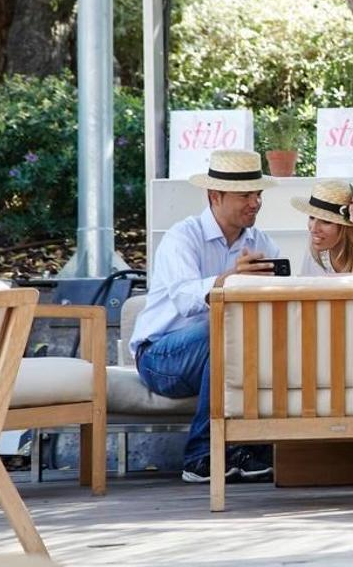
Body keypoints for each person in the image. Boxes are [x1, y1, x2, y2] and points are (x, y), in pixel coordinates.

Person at [129, 149, 282, 483]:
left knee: (263, 338)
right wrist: (229, 280)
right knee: (224, 334)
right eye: (245, 195)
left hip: (224, 350)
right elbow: (185, 300)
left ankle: (250, 447)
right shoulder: (182, 237)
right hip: (160, 356)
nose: (255, 202)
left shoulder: (262, 243)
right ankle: (201, 454)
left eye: (258, 194)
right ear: (215, 196)